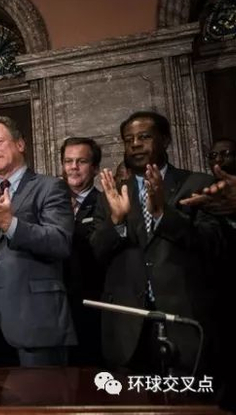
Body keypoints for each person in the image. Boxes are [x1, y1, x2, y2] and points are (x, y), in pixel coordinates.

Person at [91, 111, 221, 375]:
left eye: (144, 137)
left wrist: (163, 214)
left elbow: (214, 244)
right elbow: (96, 252)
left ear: (166, 140)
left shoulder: (198, 185)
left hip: (184, 321)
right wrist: (116, 221)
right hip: (128, 327)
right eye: (129, 140)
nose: (135, 144)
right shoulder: (112, 194)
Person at [0, 116, 76, 367]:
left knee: (42, 393)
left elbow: (59, 242)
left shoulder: (50, 187)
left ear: (20, 144)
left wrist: (9, 224)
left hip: (36, 323)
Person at [60, 137, 104, 366]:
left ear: (95, 168)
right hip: (56, 309)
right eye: (68, 161)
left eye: (81, 161)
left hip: (90, 306)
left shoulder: (106, 203)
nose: (73, 167)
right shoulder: (51, 204)